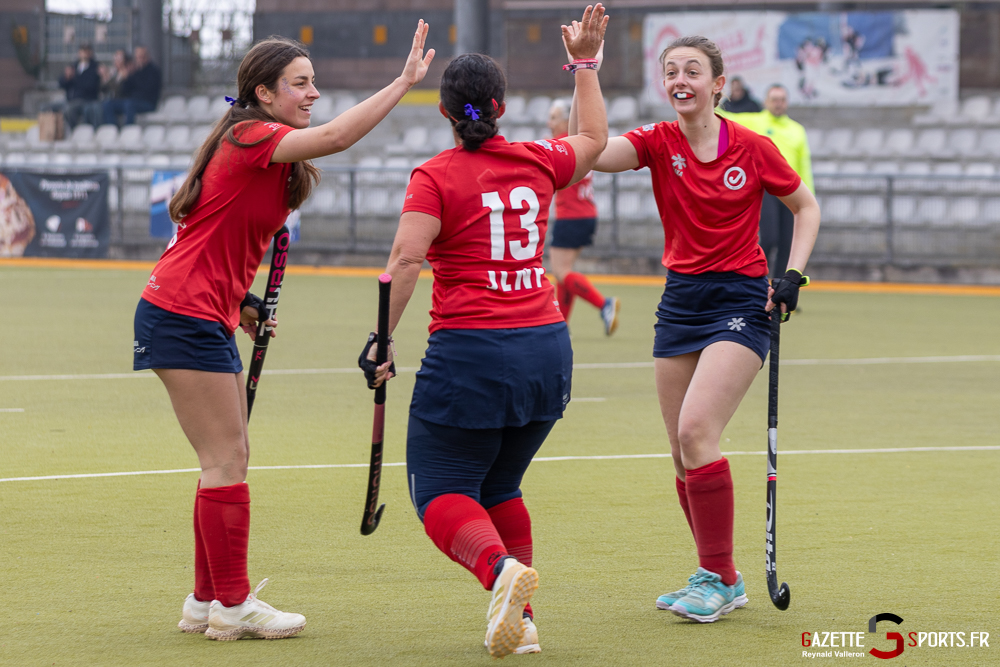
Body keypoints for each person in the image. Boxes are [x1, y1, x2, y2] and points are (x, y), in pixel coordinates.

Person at [133, 25, 435, 641]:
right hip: (182, 313)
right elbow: (339, 137)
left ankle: (206, 600)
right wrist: (404, 82)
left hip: (202, 311)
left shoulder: (267, 149)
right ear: (264, 94)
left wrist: (242, 301)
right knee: (227, 459)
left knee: (224, 459)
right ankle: (233, 605)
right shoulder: (250, 135)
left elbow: (211, 235)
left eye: (314, 82)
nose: (313, 93)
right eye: (301, 83)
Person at [364, 5, 608, 657]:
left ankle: (499, 572)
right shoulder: (538, 160)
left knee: (440, 490)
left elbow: (406, 261)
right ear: (500, 106)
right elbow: (593, 138)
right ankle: (521, 621)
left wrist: (382, 339)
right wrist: (585, 64)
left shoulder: (434, 176)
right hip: (546, 350)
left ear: (445, 112)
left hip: (470, 353)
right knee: (500, 486)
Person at [574, 35, 820, 622]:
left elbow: (806, 208)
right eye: (671, 72)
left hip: (741, 299)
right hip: (680, 301)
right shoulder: (657, 141)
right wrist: (585, 68)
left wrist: (793, 275)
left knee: (695, 432)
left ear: (718, 85)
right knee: (680, 452)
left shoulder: (753, 147)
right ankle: (720, 575)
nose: (680, 80)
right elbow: (592, 152)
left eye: (692, 71)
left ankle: (720, 578)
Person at [719, 84, 814, 280]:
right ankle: (755, 280)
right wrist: (712, 96)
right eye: (774, 99)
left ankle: (781, 287)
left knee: (787, 243)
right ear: (765, 102)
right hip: (766, 190)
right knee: (768, 238)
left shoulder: (797, 130)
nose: (778, 104)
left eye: (782, 100)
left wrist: (808, 198)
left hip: (791, 191)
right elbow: (722, 117)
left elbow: (804, 164)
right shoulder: (754, 121)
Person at [546, 97, 619, 334]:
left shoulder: (560, 144)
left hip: (570, 216)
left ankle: (604, 304)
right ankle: (562, 323)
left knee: (561, 272)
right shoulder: (579, 142)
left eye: (554, 118)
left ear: (566, 120)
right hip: (586, 214)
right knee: (564, 272)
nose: (549, 123)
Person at [102, 45, 161, 126]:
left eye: (141, 56)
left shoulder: (153, 71)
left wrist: (130, 76)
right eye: (137, 57)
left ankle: (128, 129)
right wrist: (125, 79)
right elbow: (125, 90)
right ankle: (113, 129)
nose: (139, 59)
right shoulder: (135, 71)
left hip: (147, 102)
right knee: (108, 104)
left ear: (147, 56)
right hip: (132, 101)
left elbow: (146, 89)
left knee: (129, 104)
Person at [55, 44, 101, 129]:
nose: (84, 54)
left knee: (69, 109)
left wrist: (75, 77)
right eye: (82, 51)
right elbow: (61, 83)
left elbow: (91, 85)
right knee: (47, 108)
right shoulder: (74, 66)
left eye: (86, 51)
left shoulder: (95, 68)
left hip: (85, 99)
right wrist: (67, 78)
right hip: (70, 99)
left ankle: (74, 130)